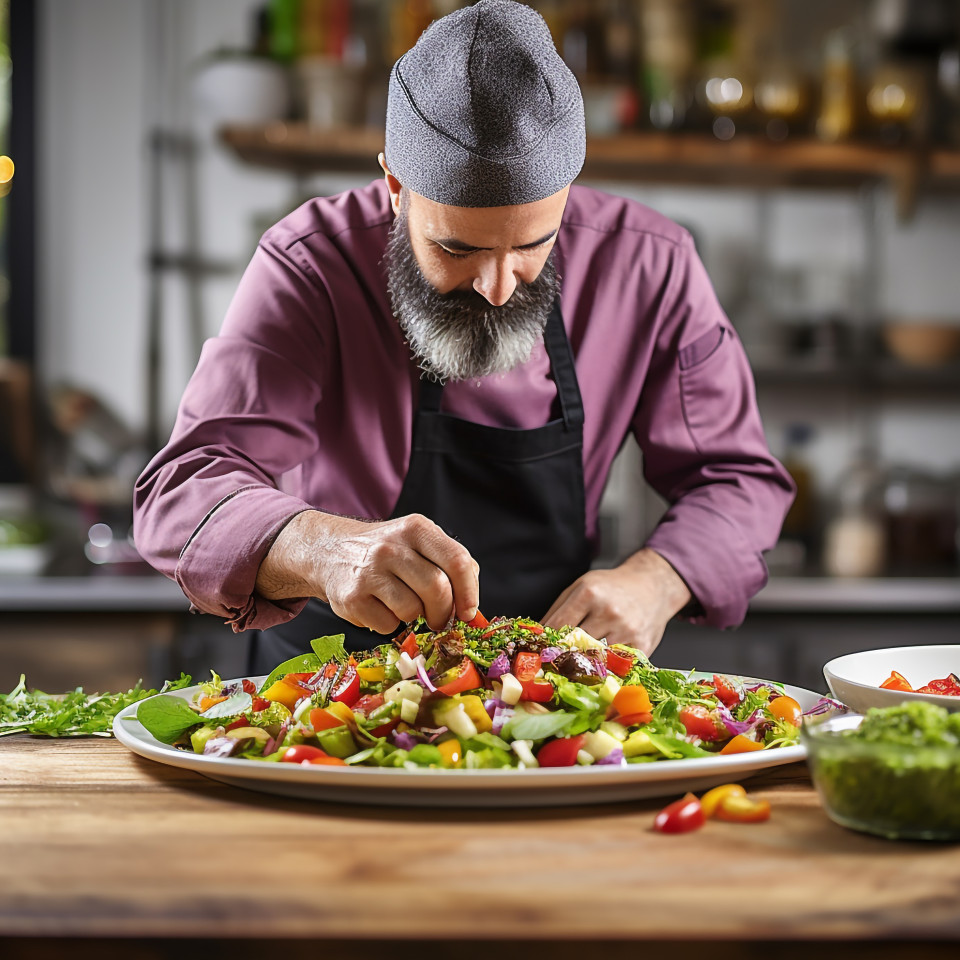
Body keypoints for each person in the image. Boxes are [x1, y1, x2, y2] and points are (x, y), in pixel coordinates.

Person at [133, 0, 794, 674]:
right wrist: (322, 548)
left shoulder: (652, 263)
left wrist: (658, 579)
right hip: (330, 692)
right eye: (457, 247)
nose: (500, 286)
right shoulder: (310, 264)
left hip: (550, 690)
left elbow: (737, 479)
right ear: (395, 186)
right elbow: (182, 491)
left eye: (534, 243)